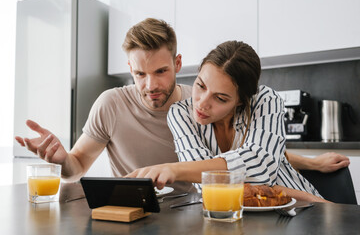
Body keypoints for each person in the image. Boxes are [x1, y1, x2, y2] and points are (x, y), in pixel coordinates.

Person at [15, 18, 348, 193]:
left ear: (177, 63)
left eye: (161, 71)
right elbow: (77, 167)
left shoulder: (198, 101)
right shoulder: (115, 105)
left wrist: (312, 165)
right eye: (140, 74)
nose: (151, 85)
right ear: (129, 69)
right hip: (145, 210)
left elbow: (255, 153)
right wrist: (62, 160)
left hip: (198, 207)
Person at [126, 40, 329, 202]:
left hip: (303, 208)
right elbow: (206, 186)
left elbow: (259, 167)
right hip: (232, 217)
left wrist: (175, 169)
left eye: (220, 98)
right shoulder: (180, 113)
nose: (202, 104)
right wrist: (272, 189)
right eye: (200, 85)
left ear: (241, 100)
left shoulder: (266, 100)